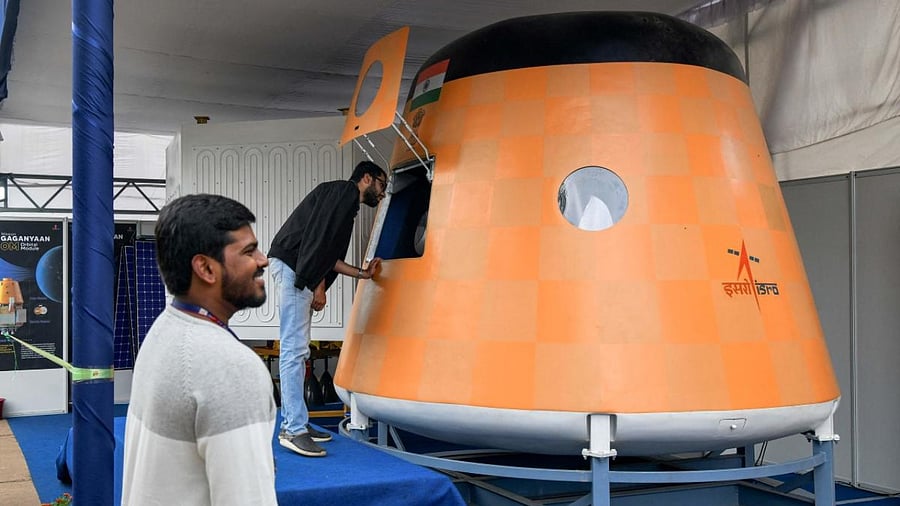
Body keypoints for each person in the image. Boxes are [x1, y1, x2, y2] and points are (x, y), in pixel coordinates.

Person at [122, 194, 276, 505]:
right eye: (248, 251)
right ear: (205, 268)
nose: (263, 260)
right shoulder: (230, 367)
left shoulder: (164, 329)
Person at [269, 160, 386, 457]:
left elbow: (329, 253)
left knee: (299, 350)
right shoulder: (344, 194)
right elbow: (317, 242)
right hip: (297, 268)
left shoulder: (342, 199)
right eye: (381, 185)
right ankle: (292, 430)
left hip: (298, 267)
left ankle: (299, 423)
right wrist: (315, 284)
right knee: (294, 351)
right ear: (367, 178)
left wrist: (363, 274)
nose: (382, 193)